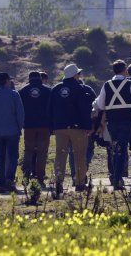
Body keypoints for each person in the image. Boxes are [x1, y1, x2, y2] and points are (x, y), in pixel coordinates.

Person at [49, 64, 96, 194]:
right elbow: (85, 110)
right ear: (75, 75)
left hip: (60, 128)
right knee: (80, 155)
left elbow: (50, 109)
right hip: (78, 128)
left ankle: (58, 181)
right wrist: (89, 126)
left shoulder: (55, 89)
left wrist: (52, 127)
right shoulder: (81, 89)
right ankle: (80, 184)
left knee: (60, 154)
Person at [94, 60, 131, 190]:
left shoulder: (107, 85)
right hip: (127, 120)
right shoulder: (130, 84)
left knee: (115, 149)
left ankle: (116, 176)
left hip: (112, 121)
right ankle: (118, 178)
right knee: (121, 149)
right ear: (125, 70)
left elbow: (101, 105)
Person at [18, 71, 52, 185]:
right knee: (42, 152)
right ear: (39, 78)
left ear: (29, 78)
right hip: (44, 126)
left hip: (29, 126)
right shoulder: (48, 91)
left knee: (28, 151)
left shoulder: (22, 91)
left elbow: (19, 109)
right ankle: (40, 177)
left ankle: (26, 175)